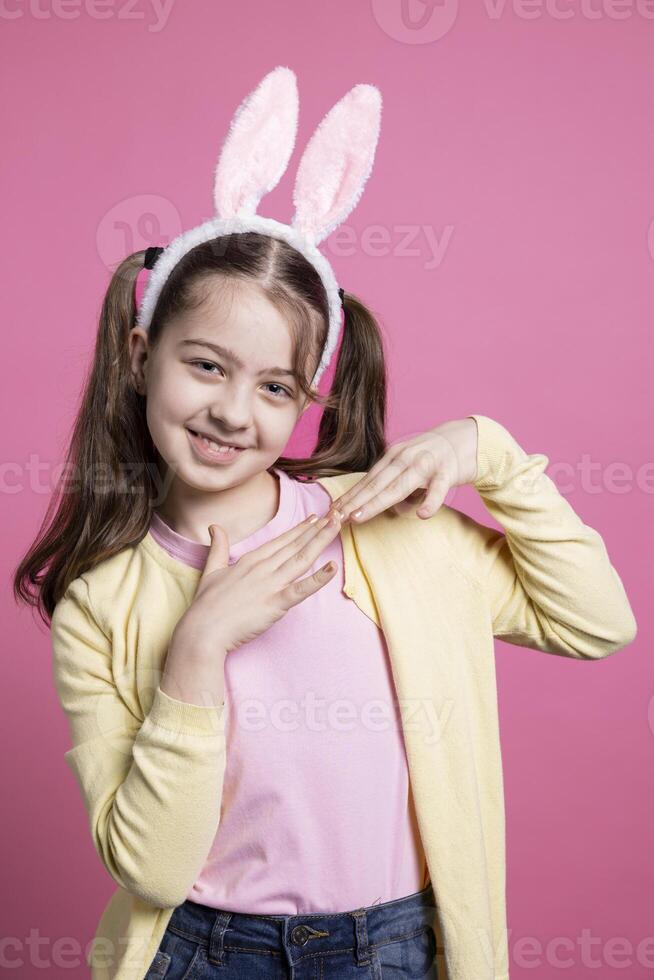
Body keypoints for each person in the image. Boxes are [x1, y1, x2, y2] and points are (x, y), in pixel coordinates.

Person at [13, 68, 637, 980]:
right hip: (204, 951)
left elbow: (597, 621)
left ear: (309, 397)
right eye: (206, 366)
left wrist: (490, 452)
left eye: (273, 386)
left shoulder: (381, 527)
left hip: (395, 946)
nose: (233, 411)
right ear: (143, 358)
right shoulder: (99, 604)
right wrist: (197, 650)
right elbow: (150, 867)